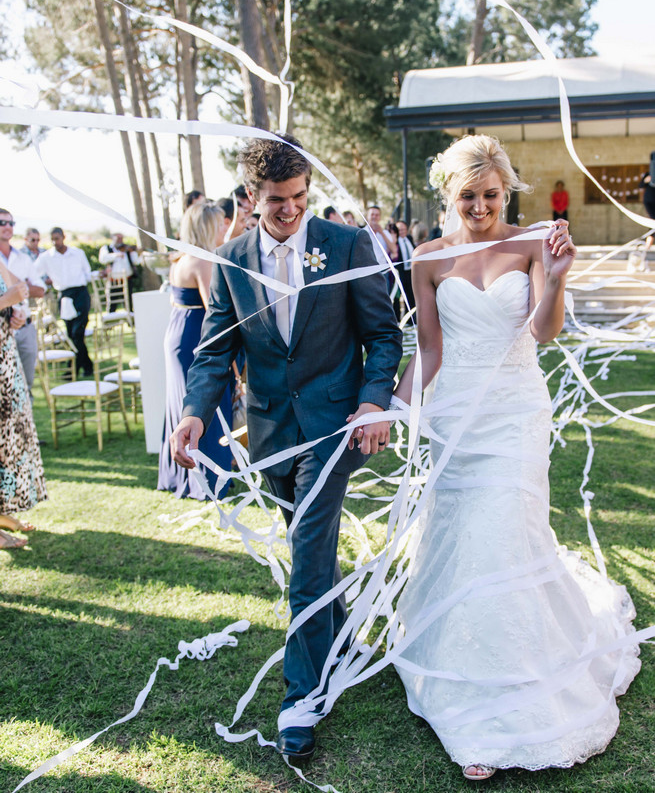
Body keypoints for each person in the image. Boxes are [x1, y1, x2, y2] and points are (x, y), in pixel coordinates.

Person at [392, 134, 640, 782]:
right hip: (455, 422)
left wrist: (554, 278)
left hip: (513, 417)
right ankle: (465, 687)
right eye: (467, 195)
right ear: (449, 196)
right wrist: (393, 408)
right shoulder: (426, 258)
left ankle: (498, 712)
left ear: (506, 192)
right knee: (463, 544)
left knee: (502, 538)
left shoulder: (532, 242)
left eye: (490, 194)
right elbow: (428, 349)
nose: (479, 205)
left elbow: (542, 330)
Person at [171, 135, 402, 762]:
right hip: (271, 430)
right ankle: (345, 624)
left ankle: (302, 696)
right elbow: (215, 350)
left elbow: (383, 336)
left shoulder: (349, 243)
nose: (291, 210)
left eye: (301, 197)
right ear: (251, 197)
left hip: (334, 427)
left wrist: (374, 401)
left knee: (304, 554)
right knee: (312, 546)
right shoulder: (231, 258)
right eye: (277, 201)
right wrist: (194, 413)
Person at [158, 202, 234, 501]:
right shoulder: (203, 262)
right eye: (218, 225)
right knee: (206, 403)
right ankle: (205, 479)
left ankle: (181, 475)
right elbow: (216, 310)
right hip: (196, 337)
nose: (223, 230)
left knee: (181, 405)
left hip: (178, 331)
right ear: (205, 228)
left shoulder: (180, 259)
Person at [0, 258, 47, 549]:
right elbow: (14, 291)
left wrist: (11, 312)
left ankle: (2, 513)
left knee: (9, 442)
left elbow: (20, 288)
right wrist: (7, 299)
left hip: (5, 359)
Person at [35, 228, 94, 378]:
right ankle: (84, 366)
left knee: (77, 332)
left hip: (80, 293)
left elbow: (87, 273)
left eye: (58, 238)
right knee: (70, 334)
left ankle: (72, 369)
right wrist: (44, 283)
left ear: (63, 237)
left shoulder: (78, 253)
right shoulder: (46, 257)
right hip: (65, 296)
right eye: (53, 239)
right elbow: (33, 273)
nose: (56, 242)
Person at [0, 208, 46, 396]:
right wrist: (11, 296)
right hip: (3, 333)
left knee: (25, 388)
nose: (7, 227)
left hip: (24, 325)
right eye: (2, 223)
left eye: (11, 223)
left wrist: (18, 296)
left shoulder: (23, 258)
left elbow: (40, 289)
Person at [98, 232, 140, 307]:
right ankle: (111, 316)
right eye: (118, 238)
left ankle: (129, 316)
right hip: (113, 280)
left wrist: (133, 252)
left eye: (121, 238)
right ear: (113, 239)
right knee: (112, 303)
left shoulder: (127, 249)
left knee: (129, 303)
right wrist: (116, 255)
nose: (120, 240)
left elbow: (136, 261)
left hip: (127, 279)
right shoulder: (107, 248)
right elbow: (102, 259)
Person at [396, 219, 415, 312]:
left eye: (404, 229)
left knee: (412, 293)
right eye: (400, 230)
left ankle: (412, 317)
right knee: (402, 294)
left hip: (411, 270)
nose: (402, 231)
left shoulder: (409, 239)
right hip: (401, 271)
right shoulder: (395, 242)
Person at [639, 168, 655, 251]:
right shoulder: (648, 174)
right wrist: (646, 180)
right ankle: (648, 245)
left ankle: (647, 245)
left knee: (653, 225)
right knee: (653, 222)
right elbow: (640, 185)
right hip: (649, 202)